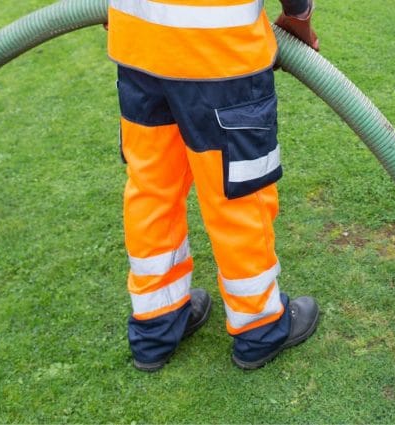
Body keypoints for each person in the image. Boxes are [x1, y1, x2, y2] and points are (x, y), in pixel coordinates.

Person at [106, 0, 321, 372]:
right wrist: (298, 15)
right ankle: (260, 326)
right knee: (236, 195)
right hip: (221, 59)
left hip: (140, 48)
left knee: (153, 189)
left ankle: (157, 323)